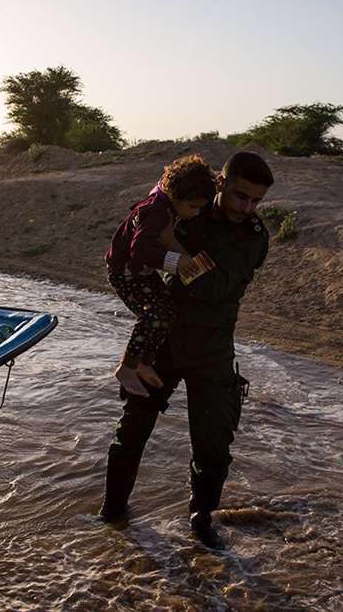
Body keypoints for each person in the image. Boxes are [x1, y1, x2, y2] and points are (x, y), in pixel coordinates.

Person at [99, 151, 274, 549]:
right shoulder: (185, 207)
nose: (247, 208)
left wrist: (176, 256)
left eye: (256, 201)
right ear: (221, 183)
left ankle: (202, 529)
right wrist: (178, 255)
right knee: (131, 433)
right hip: (165, 342)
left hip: (212, 347)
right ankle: (111, 518)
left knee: (213, 446)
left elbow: (216, 288)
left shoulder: (252, 236)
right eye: (241, 196)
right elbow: (140, 237)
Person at [105, 154, 215, 396]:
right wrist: (176, 262)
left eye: (200, 207)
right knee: (153, 315)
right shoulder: (157, 211)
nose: (197, 213)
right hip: (126, 272)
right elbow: (139, 250)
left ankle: (143, 362)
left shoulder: (165, 198)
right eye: (193, 207)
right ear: (175, 196)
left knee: (168, 311)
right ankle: (127, 368)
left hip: (140, 270)